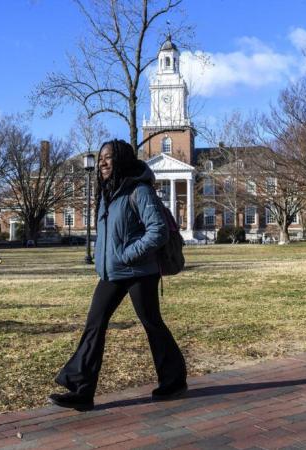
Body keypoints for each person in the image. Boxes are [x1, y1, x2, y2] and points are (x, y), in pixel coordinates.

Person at [49, 139, 187, 411]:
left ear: (121, 160)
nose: (102, 162)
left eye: (108, 157)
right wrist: (105, 261)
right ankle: (81, 390)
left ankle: (174, 380)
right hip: (112, 273)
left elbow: (157, 231)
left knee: (151, 323)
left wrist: (127, 254)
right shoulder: (107, 192)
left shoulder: (139, 190)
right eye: (100, 158)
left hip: (139, 271)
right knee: (94, 325)